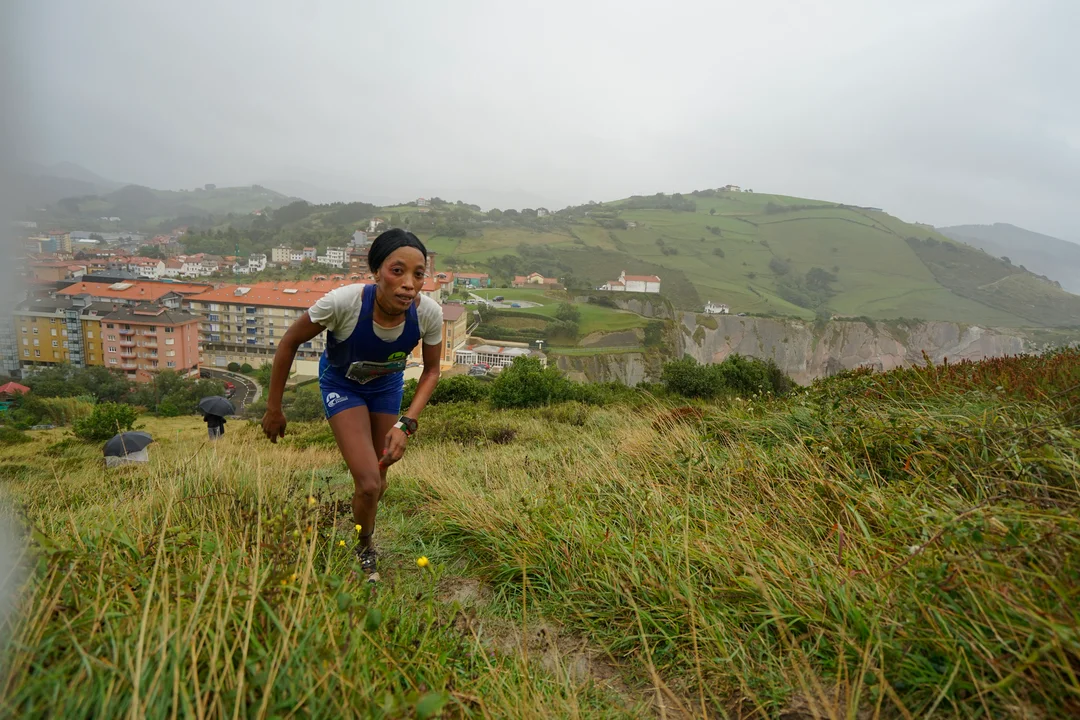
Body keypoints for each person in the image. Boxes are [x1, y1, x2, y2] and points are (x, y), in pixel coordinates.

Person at [261, 229, 443, 581]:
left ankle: (363, 517)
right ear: (376, 272)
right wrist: (274, 408)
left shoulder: (428, 314)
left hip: (386, 387)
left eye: (418, 274)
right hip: (342, 385)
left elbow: (432, 370)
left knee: (379, 479)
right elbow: (289, 342)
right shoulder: (343, 303)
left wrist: (406, 423)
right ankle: (365, 547)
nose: (409, 284)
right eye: (397, 271)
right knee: (370, 482)